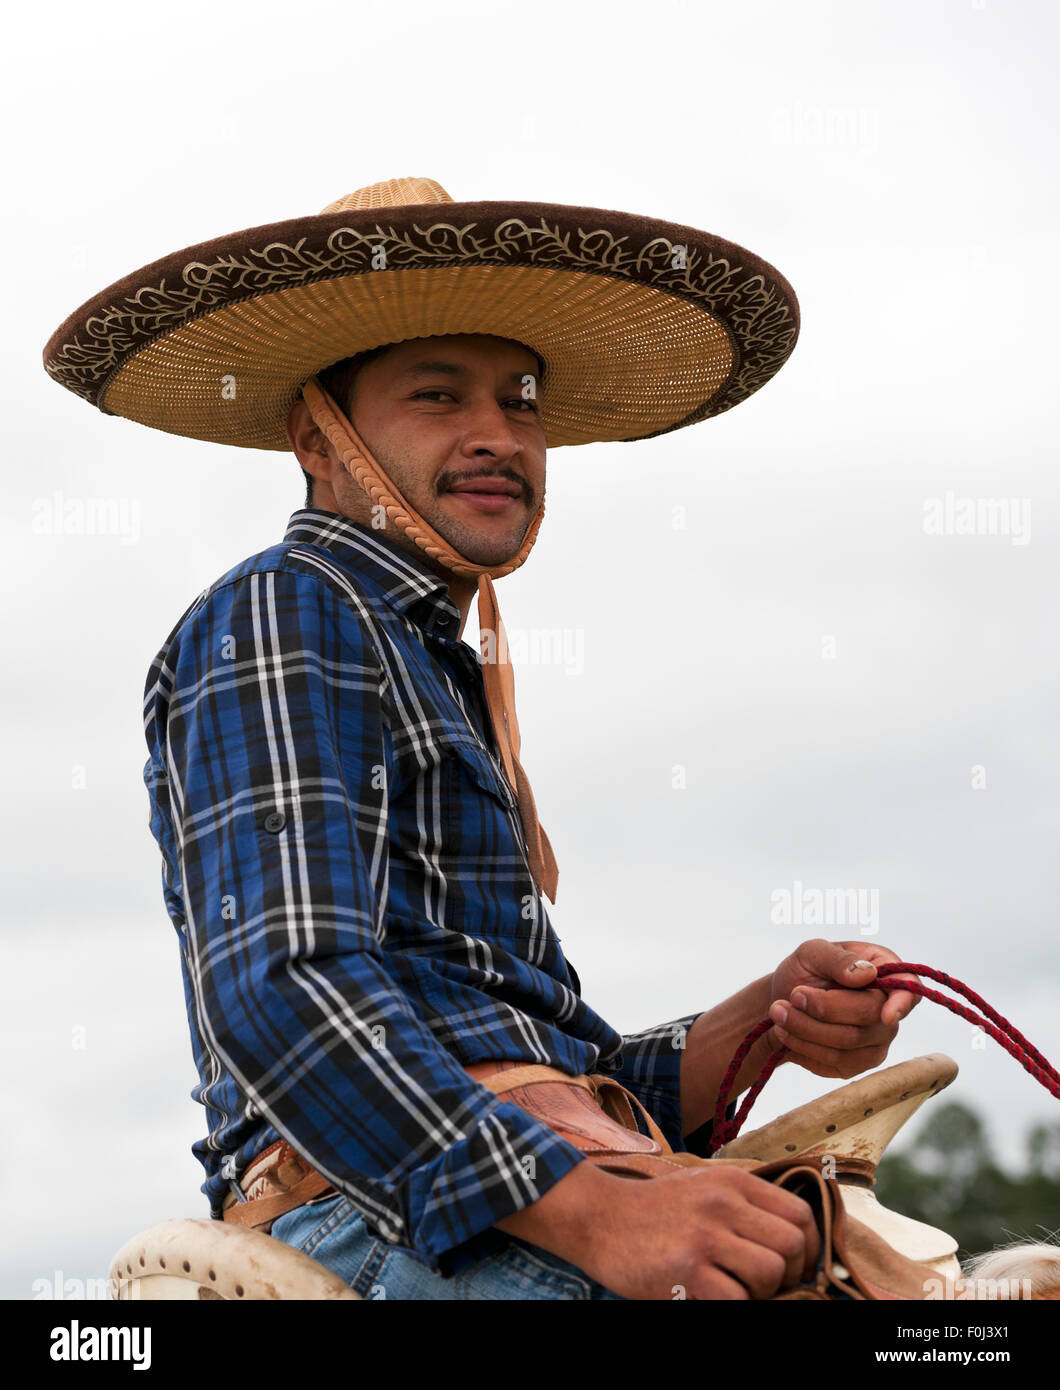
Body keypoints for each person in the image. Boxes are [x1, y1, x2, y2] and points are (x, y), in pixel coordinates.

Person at [44, 177, 918, 1300]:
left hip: (525, 1176)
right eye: (438, 396)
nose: (498, 435)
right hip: (378, 1212)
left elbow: (546, 1059)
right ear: (320, 435)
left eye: (519, 399)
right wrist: (599, 1213)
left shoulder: (432, 658)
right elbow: (287, 984)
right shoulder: (287, 606)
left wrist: (766, 1022)